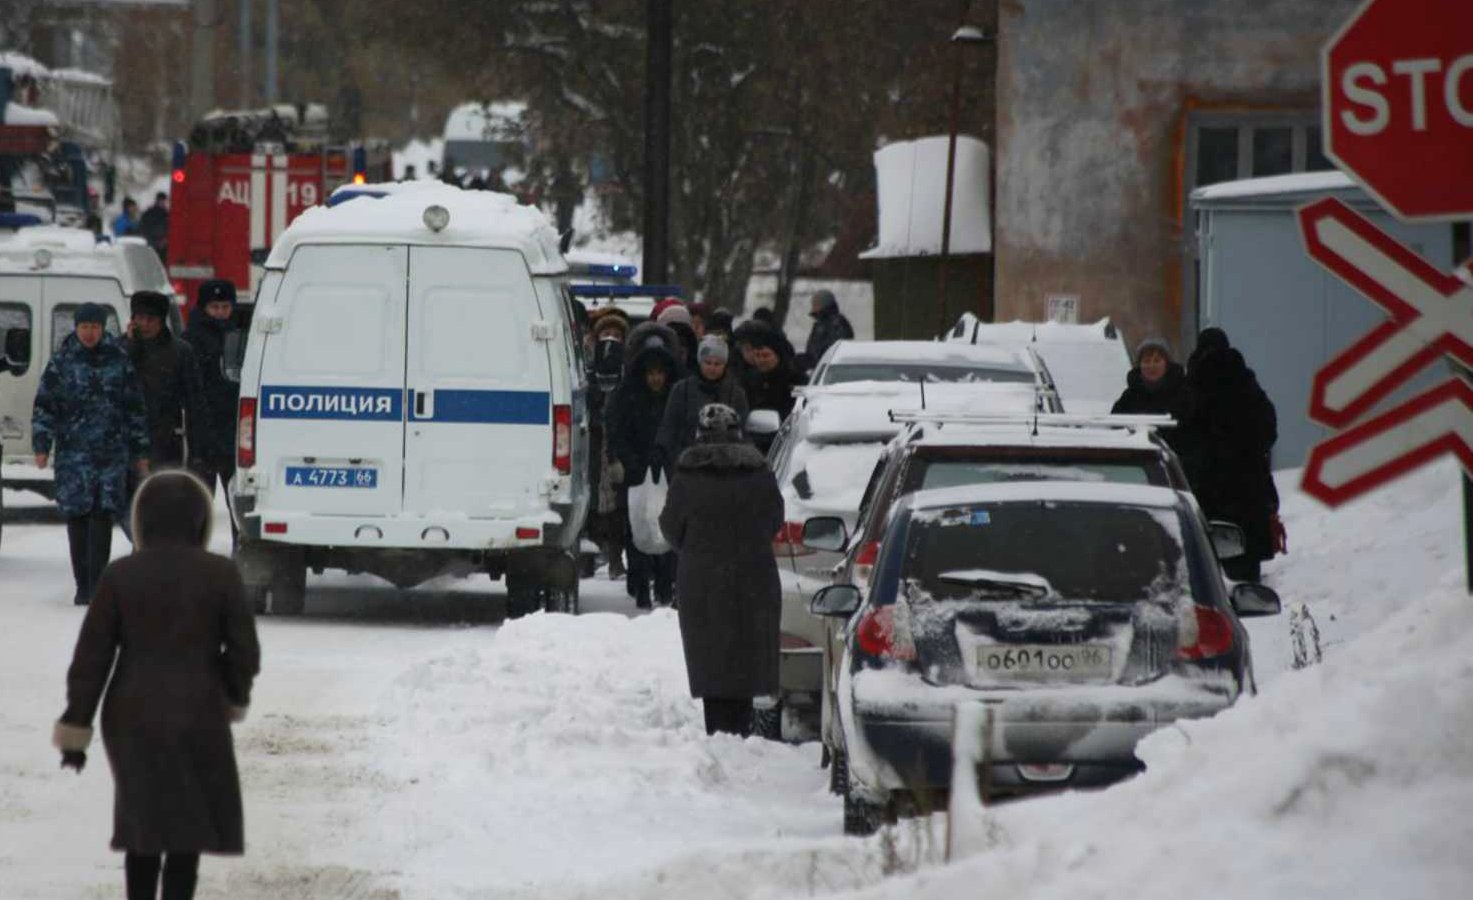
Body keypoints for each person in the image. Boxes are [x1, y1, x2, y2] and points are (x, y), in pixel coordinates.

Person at [52, 470, 260, 900]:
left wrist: (76, 729)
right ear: (201, 520)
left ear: (142, 519)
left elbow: (91, 659)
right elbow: (244, 651)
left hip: (130, 716)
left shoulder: (120, 576)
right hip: (200, 711)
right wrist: (232, 694)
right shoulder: (220, 574)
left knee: (141, 820)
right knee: (186, 824)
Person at [658, 403, 784, 736]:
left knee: (711, 655)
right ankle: (741, 729)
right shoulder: (760, 474)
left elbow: (671, 528)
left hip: (702, 579)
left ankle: (717, 729)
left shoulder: (687, 477)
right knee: (746, 653)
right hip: (754, 576)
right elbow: (775, 520)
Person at [31, 303, 149, 604]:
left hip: (111, 455)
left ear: (103, 327)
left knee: (102, 515)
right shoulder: (61, 362)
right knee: (77, 516)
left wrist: (140, 450)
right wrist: (41, 445)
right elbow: (45, 406)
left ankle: (97, 585)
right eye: (84, 327)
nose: (89, 333)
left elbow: (135, 408)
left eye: (95, 327)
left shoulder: (119, 361)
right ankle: (82, 584)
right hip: (74, 455)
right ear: (76, 327)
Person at [1184, 328, 1282, 582]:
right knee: (1245, 568)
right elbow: (1268, 430)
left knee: (1203, 564)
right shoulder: (1246, 383)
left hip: (1205, 485)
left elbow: (1184, 432)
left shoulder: (1193, 382)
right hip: (1246, 486)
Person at [606, 323, 681, 608]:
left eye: (660, 373)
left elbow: (679, 429)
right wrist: (628, 460)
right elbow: (617, 430)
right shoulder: (628, 394)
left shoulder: (676, 393)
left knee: (666, 527)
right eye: (651, 373)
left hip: (667, 469)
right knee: (636, 527)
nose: (656, 379)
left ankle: (664, 582)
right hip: (636, 470)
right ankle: (640, 582)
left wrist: (668, 456)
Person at [126, 290, 206, 473]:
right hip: (125, 443)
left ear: (161, 321)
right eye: (140, 318)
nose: (145, 324)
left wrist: (197, 452)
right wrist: (132, 347)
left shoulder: (180, 352)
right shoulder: (119, 349)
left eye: (151, 319)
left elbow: (195, 403)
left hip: (164, 443)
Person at [181, 280, 242, 519]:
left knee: (237, 501)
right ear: (204, 308)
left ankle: (241, 550)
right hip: (202, 432)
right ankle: (195, 550)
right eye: (214, 307)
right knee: (199, 502)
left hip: (233, 430)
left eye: (225, 306)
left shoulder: (241, 333)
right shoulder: (191, 338)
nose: (220, 312)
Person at [586, 307, 631, 578]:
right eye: (606, 333)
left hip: (615, 447)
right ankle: (589, 555)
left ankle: (615, 557)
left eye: (617, 334)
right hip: (592, 443)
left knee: (616, 504)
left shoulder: (628, 370)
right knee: (592, 501)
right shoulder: (587, 368)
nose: (611, 338)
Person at [657, 335, 749, 467]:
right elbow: (669, 427)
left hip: (725, 468)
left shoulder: (736, 393)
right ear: (700, 362)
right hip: (686, 466)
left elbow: (743, 433)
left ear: (725, 365)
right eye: (708, 362)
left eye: (717, 364)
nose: (712, 368)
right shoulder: (681, 390)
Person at [1110, 337, 1196, 458]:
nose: (1152, 366)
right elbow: (1115, 427)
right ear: (1139, 366)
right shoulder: (1129, 396)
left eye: (1157, 360)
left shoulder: (1184, 394)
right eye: (1146, 361)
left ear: (1166, 364)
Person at [739, 322, 807, 454]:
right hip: (754, 444)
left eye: (766, 355)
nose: (761, 360)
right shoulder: (748, 379)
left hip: (788, 444)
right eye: (757, 356)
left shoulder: (796, 380)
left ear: (778, 355)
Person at [803, 289, 853, 370]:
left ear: (824, 304)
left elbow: (834, 348)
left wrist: (813, 361)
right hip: (820, 368)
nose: (812, 307)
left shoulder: (836, 324)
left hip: (831, 370)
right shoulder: (820, 323)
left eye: (815, 304)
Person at [137, 192, 169, 260]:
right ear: (157, 200)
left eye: (164, 201)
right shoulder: (149, 213)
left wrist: (165, 239)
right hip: (153, 244)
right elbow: (144, 229)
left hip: (161, 245)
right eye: (161, 200)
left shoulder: (166, 214)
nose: (163, 203)